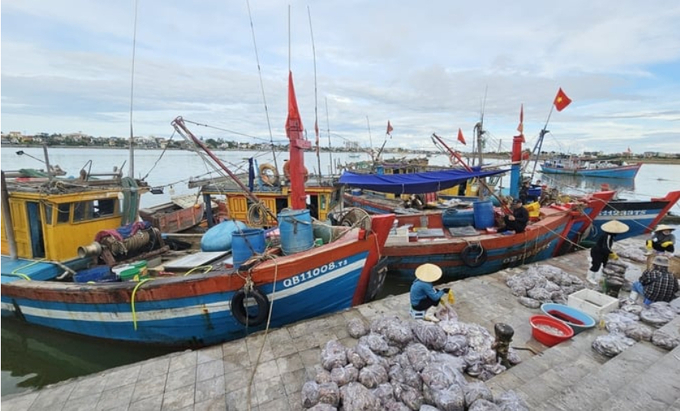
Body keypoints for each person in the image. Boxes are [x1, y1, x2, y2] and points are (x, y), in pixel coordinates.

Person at [587, 220, 629, 285]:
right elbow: (605, 246)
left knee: (605, 264)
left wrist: (609, 252)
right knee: (596, 265)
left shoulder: (610, 236)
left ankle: (602, 277)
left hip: (603, 252)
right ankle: (589, 278)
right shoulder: (607, 236)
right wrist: (611, 253)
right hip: (597, 252)